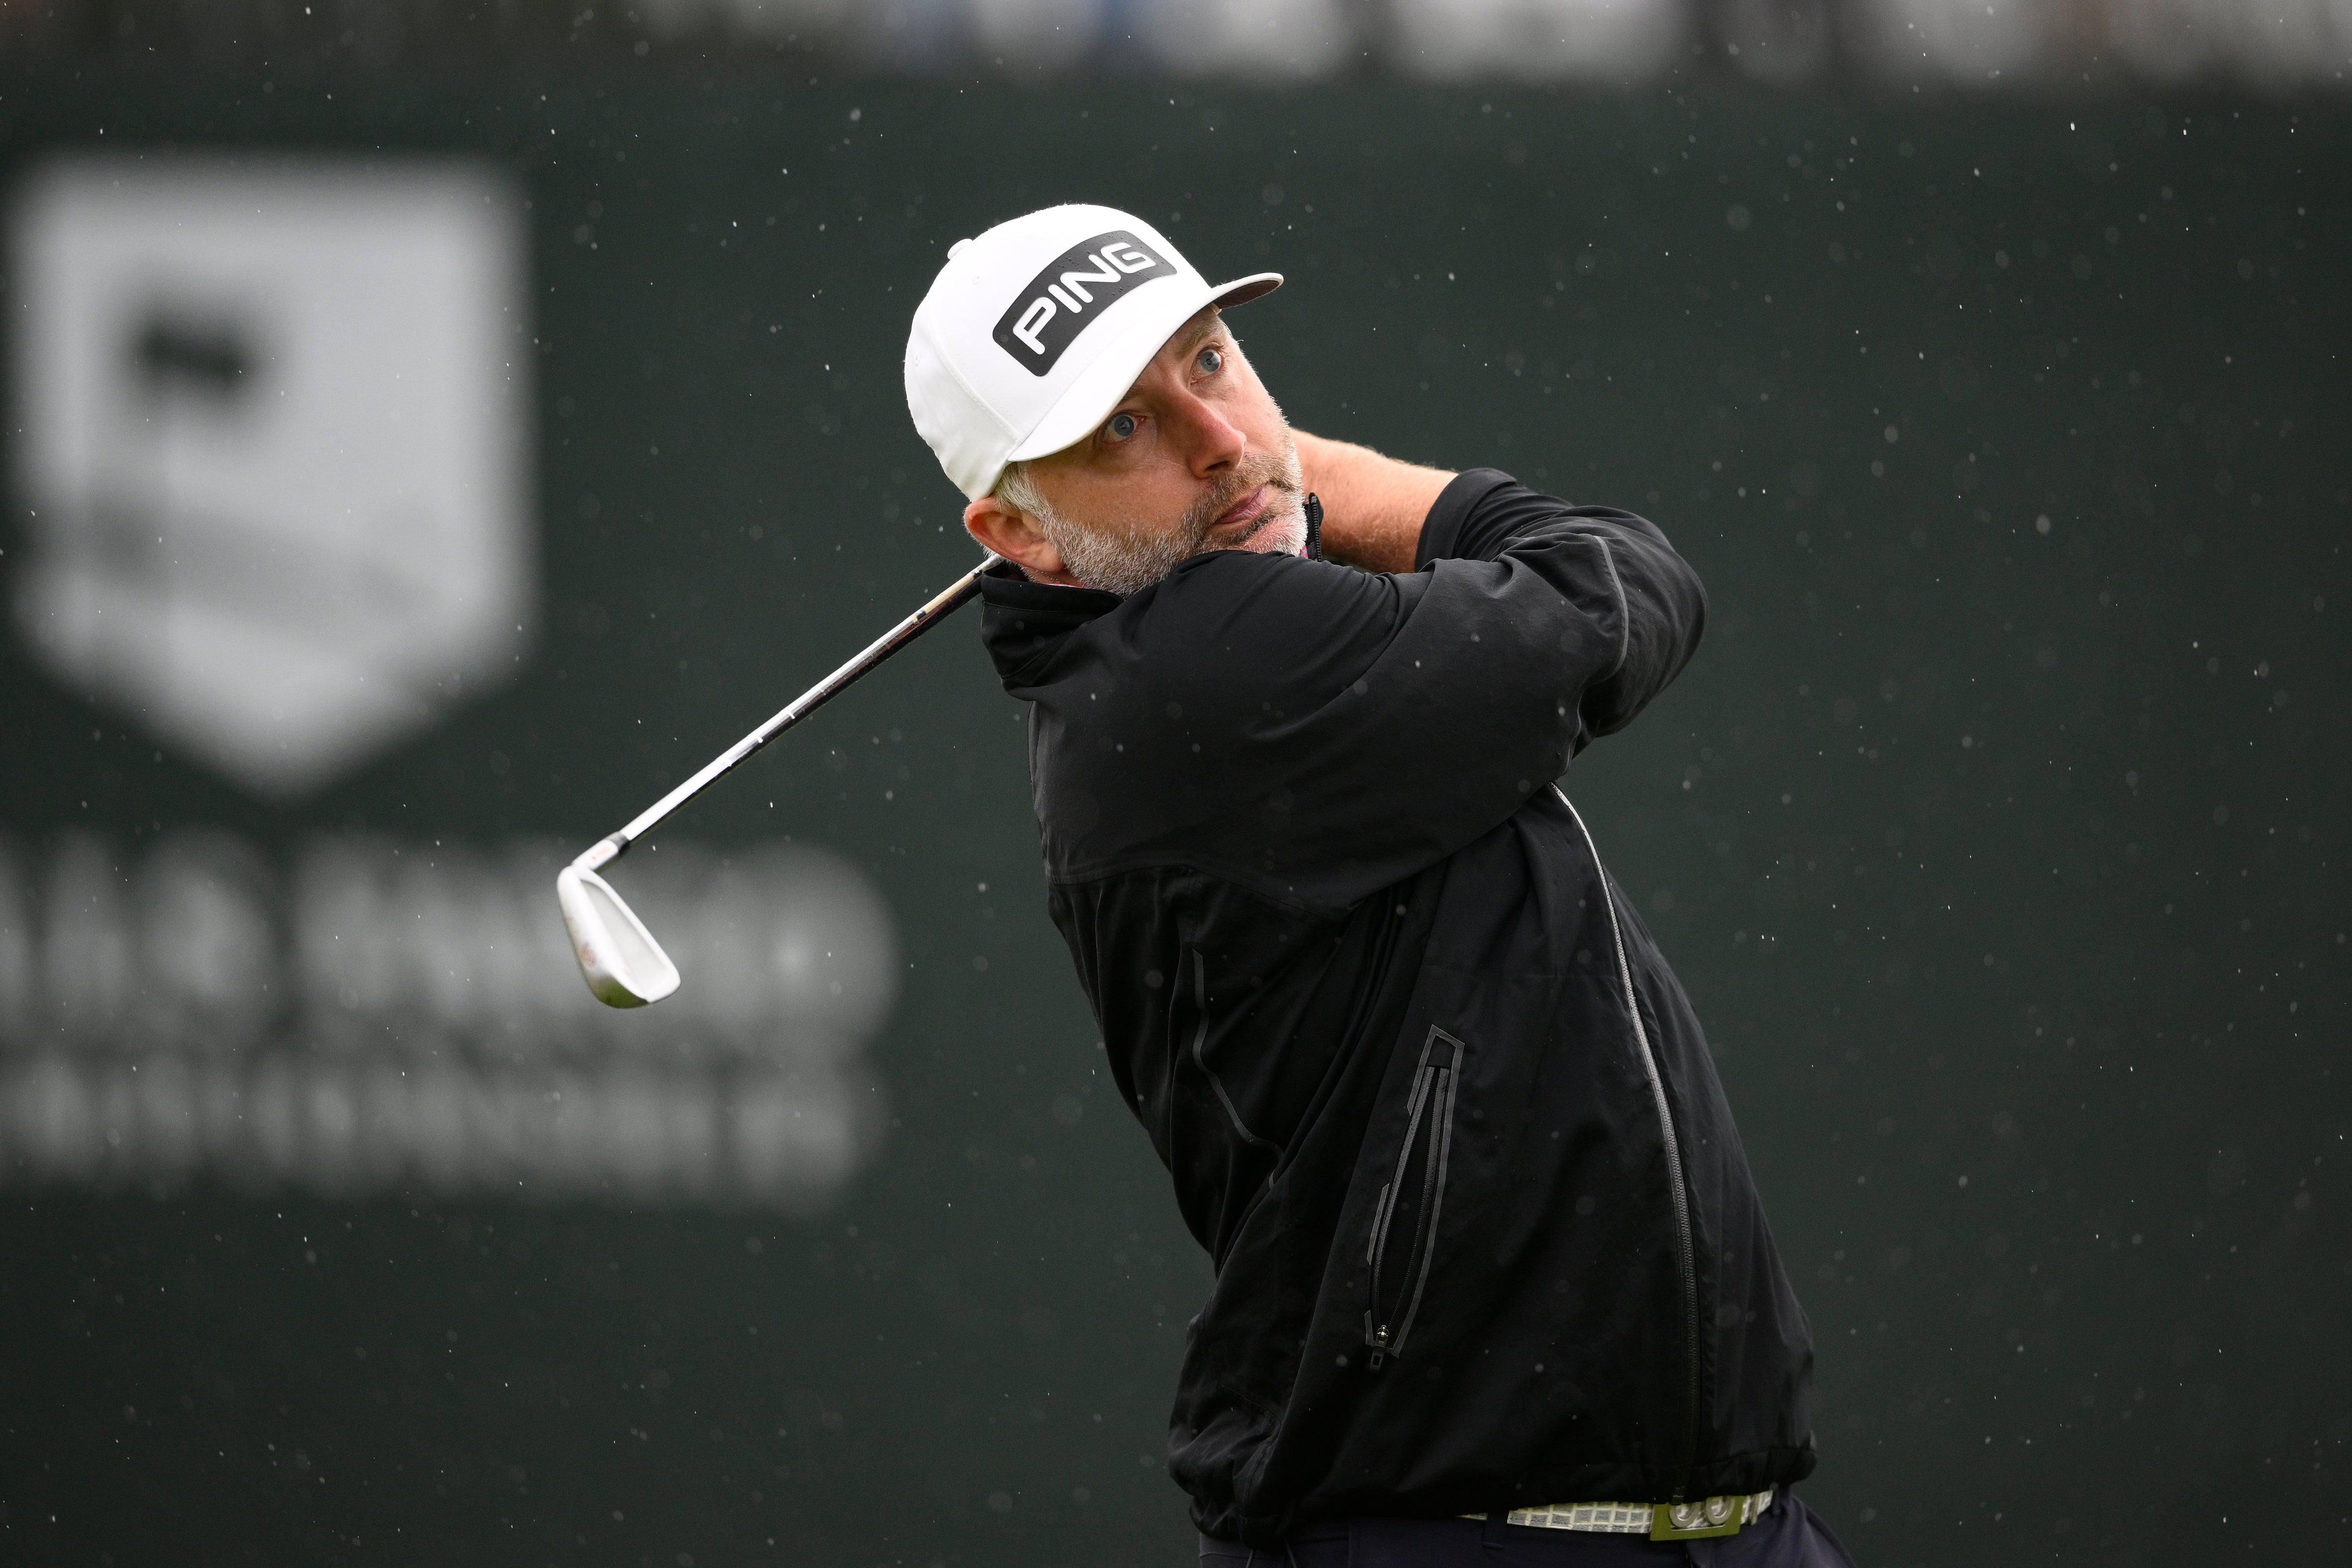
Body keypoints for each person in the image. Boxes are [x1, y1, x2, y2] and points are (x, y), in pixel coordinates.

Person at [904, 204, 1853, 1566]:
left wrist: (1269, 497)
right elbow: (1614, 596)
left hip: (1714, 1525)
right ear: (1020, 533)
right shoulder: (1205, 676)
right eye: (1122, 428)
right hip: (1446, 1537)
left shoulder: (1174, 660)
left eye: (1211, 360)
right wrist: (1340, 484)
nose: (1217, 440)